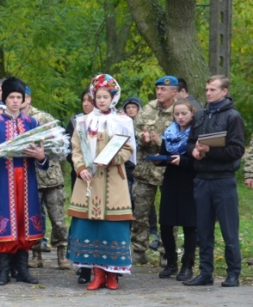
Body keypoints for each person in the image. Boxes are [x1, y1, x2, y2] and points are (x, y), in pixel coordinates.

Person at [0, 77, 48, 286]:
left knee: (24, 223)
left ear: (24, 100)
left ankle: (22, 269)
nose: (15, 101)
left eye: (19, 97)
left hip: (26, 181)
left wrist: (40, 156)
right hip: (2, 181)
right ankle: (3, 271)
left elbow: (43, 157)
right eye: (11, 97)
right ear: (4, 99)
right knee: (5, 223)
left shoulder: (32, 123)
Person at [66, 74, 135, 291]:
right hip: (88, 182)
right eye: (98, 97)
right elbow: (76, 149)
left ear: (113, 98)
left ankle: (113, 275)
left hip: (113, 180)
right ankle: (97, 274)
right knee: (90, 228)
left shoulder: (123, 121)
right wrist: (80, 168)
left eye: (106, 97)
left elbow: (128, 149)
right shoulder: (83, 122)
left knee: (112, 228)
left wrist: (112, 159)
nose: (101, 100)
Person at [184, 75, 245, 288]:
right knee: (203, 229)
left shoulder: (233, 117)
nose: (208, 93)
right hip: (202, 179)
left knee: (229, 230)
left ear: (224, 91)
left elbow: (237, 150)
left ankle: (233, 273)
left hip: (223, 180)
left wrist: (210, 151)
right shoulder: (200, 115)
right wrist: (195, 152)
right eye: (207, 89)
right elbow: (190, 142)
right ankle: (205, 272)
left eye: (213, 89)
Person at [130, 76, 178, 264]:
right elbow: (135, 132)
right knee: (140, 212)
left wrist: (162, 143)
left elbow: (186, 138)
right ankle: (139, 249)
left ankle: (166, 251)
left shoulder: (181, 111)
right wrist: (143, 139)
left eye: (163, 89)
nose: (159, 92)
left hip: (169, 170)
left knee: (168, 213)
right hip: (146, 169)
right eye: (157, 88)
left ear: (174, 92)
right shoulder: (147, 109)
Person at [24, 89, 71, 270]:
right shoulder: (16, 122)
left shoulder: (43, 118)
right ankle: (36, 254)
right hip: (31, 178)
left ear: (29, 98)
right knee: (33, 219)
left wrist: (43, 154)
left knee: (58, 219)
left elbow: (60, 147)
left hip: (51, 177)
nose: (20, 101)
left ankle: (61, 253)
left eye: (23, 97)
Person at [152, 100, 198, 281]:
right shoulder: (170, 132)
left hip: (189, 181)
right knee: (166, 224)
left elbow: (200, 161)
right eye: (177, 114)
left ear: (192, 113)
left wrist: (183, 161)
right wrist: (159, 160)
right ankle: (171, 262)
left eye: (184, 114)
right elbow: (165, 154)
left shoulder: (196, 133)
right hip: (171, 181)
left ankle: (188, 265)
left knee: (189, 225)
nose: (180, 117)